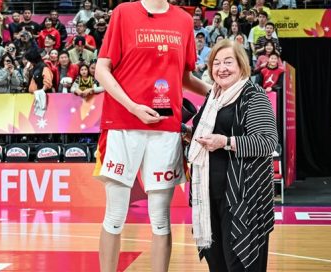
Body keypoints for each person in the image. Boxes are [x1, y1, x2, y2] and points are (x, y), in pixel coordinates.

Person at [93, 1, 208, 271]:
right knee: (115, 214)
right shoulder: (123, 12)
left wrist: (219, 92)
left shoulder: (183, 20)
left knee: (160, 218)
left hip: (165, 129)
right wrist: (132, 106)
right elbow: (101, 69)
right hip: (122, 124)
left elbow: (185, 77)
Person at [187, 39, 277, 272]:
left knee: (241, 265)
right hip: (209, 197)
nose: (221, 68)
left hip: (242, 200)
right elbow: (202, 134)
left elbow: (267, 142)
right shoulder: (213, 98)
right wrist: (187, 134)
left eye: (228, 62)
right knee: (218, 265)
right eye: (216, 63)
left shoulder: (253, 95)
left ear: (241, 65)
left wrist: (226, 142)